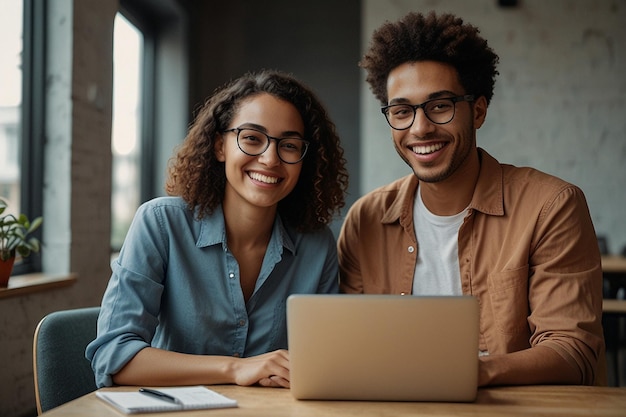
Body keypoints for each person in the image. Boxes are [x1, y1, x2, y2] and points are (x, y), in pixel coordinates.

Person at [337, 11, 605, 387]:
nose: (420, 127)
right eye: (402, 111)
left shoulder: (552, 206)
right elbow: (349, 343)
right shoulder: (366, 219)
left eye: (440, 106)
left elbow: (573, 351)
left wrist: (465, 372)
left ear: (477, 111)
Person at [87, 70, 349, 389]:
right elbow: (114, 357)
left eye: (290, 145)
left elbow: (324, 363)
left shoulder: (316, 246)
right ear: (220, 146)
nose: (270, 159)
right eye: (252, 138)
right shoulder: (160, 224)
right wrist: (234, 369)